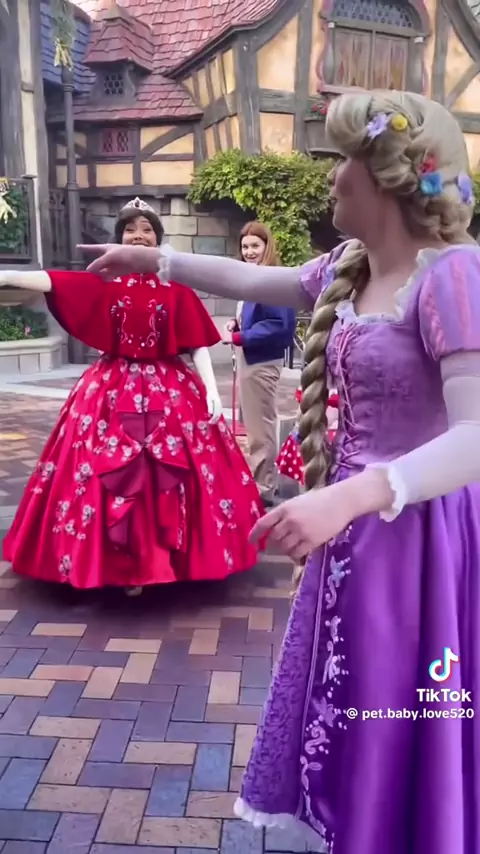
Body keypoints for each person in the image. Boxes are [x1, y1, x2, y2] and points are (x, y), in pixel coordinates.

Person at [78, 91, 480, 854]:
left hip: (420, 538)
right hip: (352, 534)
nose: (331, 178)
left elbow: (476, 436)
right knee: (351, 693)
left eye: (342, 160)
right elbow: (251, 280)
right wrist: (152, 260)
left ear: (386, 177)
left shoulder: (453, 277)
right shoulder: (349, 270)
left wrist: (352, 497)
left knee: (400, 698)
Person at [0, 197, 263, 594]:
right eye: (130, 230)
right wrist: (9, 274)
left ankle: (164, 561)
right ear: (119, 238)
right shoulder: (105, 284)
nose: (139, 236)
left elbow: (196, 343)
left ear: (158, 238)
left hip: (169, 391)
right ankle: (116, 567)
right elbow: (55, 281)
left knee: (173, 471)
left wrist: (211, 389)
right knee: (103, 471)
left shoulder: (176, 289)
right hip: (110, 391)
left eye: (147, 230)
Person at [224, 221, 296, 506]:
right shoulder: (255, 278)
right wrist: (237, 323)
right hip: (251, 358)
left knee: (260, 427)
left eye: (255, 245)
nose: (249, 252)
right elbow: (258, 317)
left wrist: (240, 337)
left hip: (261, 361)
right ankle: (261, 483)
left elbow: (279, 325)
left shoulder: (271, 280)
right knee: (255, 424)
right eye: (245, 246)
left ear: (267, 246)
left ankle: (263, 488)